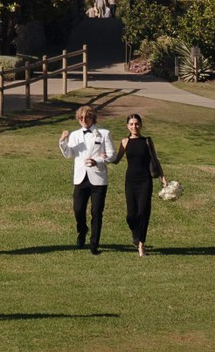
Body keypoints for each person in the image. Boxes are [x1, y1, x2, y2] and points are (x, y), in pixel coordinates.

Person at [57, 103, 115, 254]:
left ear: (93, 118)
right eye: (81, 117)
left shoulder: (103, 133)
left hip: (98, 178)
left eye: (87, 117)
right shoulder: (75, 135)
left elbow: (112, 155)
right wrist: (62, 142)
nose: (84, 119)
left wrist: (100, 161)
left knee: (97, 212)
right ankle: (82, 231)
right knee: (78, 210)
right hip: (81, 178)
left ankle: (94, 244)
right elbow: (69, 154)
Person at [118, 111, 165, 256]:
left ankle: (141, 245)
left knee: (143, 212)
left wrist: (163, 179)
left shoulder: (147, 141)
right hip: (131, 181)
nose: (134, 126)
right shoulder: (125, 142)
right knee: (131, 215)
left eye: (137, 124)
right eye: (131, 124)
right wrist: (101, 159)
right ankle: (135, 234)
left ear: (141, 125)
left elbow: (155, 160)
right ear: (127, 126)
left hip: (145, 180)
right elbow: (116, 159)